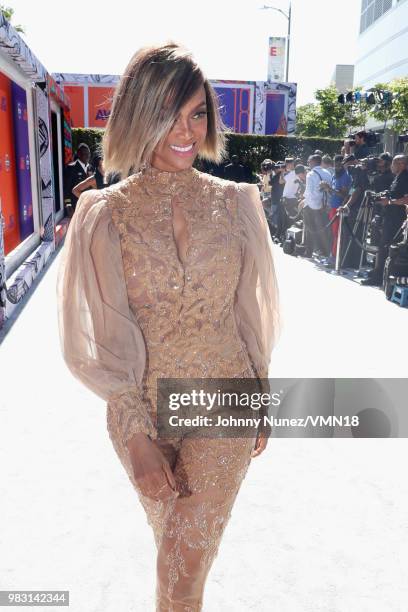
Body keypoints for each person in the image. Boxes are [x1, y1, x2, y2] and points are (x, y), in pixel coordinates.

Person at [56, 41, 280, 611]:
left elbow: (249, 313)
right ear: (138, 114)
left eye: (197, 113)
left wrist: (261, 394)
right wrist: (134, 432)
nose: (186, 131)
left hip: (224, 396)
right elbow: (105, 336)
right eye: (169, 115)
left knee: (180, 572)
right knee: (176, 556)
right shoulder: (102, 214)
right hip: (144, 411)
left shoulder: (238, 204)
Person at [361, 154, 408, 286]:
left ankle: (378, 277)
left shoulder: (405, 178)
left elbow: (406, 199)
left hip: (396, 220)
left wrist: (390, 201)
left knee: (385, 248)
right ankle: (380, 274)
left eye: (394, 163)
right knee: (383, 247)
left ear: (401, 164)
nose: (391, 166)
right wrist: (383, 195)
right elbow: (394, 192)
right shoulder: (398, 177)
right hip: (390, 217)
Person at [298, 154, 332, 257]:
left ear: (313, 162)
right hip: (324, 205)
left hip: (312, 205)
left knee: (310, 229)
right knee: (323, 229)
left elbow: (309, 192)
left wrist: (304, 202)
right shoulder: (327, 172)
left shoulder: (310, 174)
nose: (308, 163)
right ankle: (325, 251)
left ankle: (309, 252)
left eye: (309, 161)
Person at [320, 155, 352, 265]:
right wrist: (327, 188)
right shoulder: (334, 175)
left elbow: (344, 195)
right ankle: (332, 256)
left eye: (339, 164)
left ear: (343, 164)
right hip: (333, 207)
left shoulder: (345, 176)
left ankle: (334, 258)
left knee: (337, 234)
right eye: (335, 164)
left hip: (339, 209)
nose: (337, 166)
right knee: (333, 233)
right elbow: (333, 192)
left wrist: (329, 188)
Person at [63, 143, 91, 216]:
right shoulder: (71, 168)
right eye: (85, 154)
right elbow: (66, 189)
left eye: (88, 154)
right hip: (76, 206)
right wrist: (68, 205)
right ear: (79, 154)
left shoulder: (90, 168)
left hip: (88, 206)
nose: (87, 156)